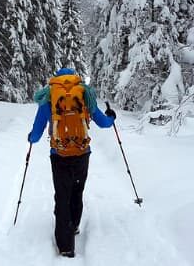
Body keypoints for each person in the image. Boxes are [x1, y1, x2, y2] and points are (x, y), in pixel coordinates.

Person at [27, 68, 116, 258]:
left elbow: (36, 132)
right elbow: (104, 123)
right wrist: (111, 117)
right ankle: (74, 225)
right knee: (77, 191)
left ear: (56, 79)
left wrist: (31, 138)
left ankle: (65, 245)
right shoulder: (85, 93)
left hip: (59, 154)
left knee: (62, 195)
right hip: (82, 153)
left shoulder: (48, 95)